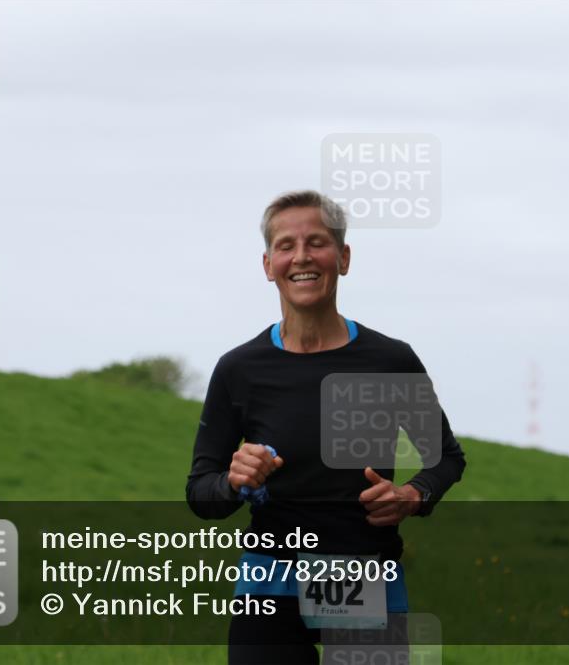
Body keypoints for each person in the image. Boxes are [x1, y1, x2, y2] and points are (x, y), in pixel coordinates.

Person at [186, 190, 467, 665]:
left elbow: (446, 457)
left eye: (316, 242)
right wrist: (232, 483)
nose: (301, 257)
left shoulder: (389, 361)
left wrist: (413, 495)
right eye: (286, 245)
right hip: (268, 582)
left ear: (343, 257)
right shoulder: (239, 368)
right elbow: (200, 493)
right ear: (267, 263)